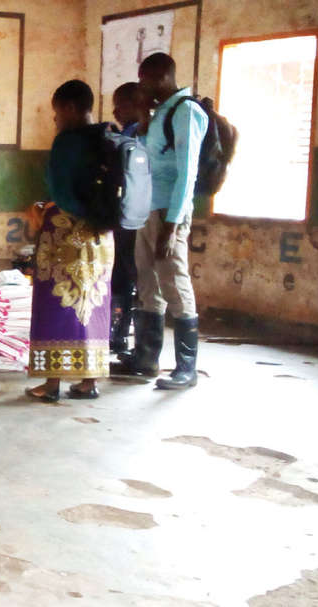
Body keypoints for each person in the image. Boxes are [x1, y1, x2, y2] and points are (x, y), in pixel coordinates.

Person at [112, 53, 206, 390]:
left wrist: (172, 225)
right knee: (148, 284)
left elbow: (187, 174)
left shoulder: (186, 112)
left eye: (145, 80)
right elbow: (142, 157)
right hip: (147, 209)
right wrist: (143, 117)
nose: (141, 86)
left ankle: (186, 369)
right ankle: (146, 358)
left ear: (163, 77)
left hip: (169, 213)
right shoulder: (159, 113)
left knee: (175, 283)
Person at [25, 80, 115, 402]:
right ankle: (89, 381)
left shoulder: (67, 142)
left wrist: (44, 207)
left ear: (71, 108)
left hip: (66, 235)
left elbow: (61, 192)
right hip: (102, 237)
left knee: (57, 304)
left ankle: (51, 385)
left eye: (57, 112)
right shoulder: (109, 136)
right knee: (92, 304)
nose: (55, 120)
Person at [108, 82, 146, 358]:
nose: (115, 111)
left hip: (127, 217)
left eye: (119, 105)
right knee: (128, 276)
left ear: (134, 105)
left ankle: (119, 335)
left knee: (123, 275)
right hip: (137, 216)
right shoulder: (136, 133)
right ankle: (121, 335)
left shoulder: (134, 135)